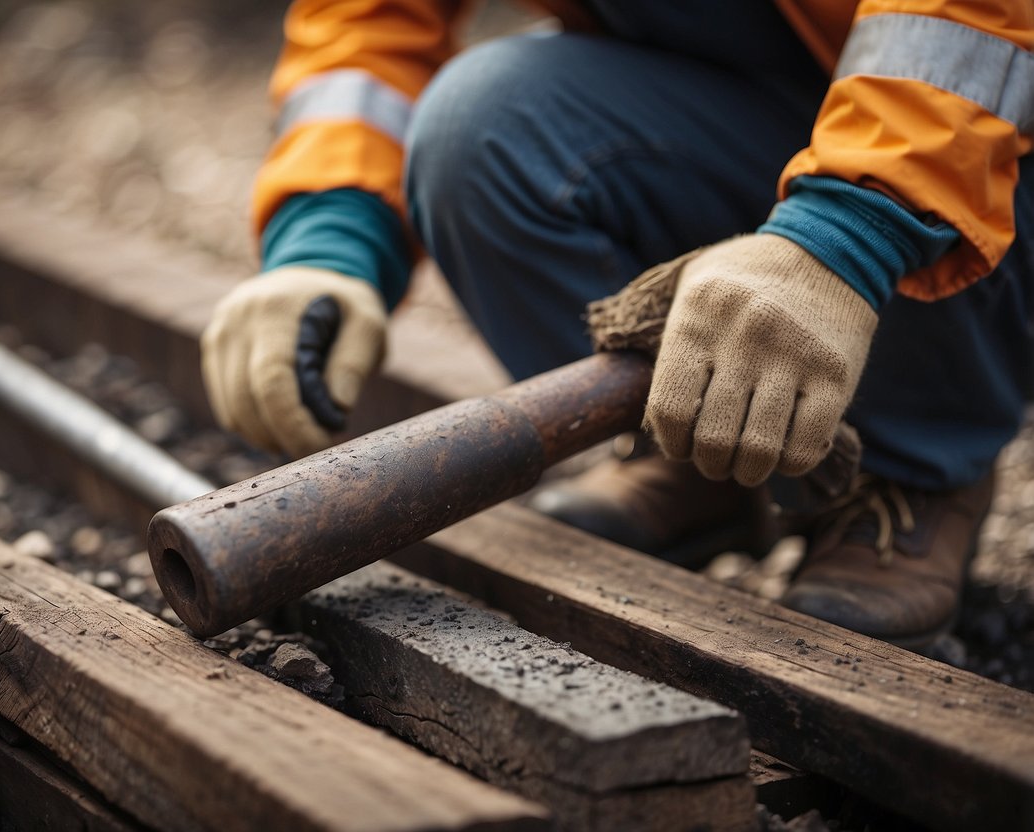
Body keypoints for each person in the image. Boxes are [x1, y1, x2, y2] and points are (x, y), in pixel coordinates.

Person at [199, 0, 1033, 653]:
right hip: (777, 109)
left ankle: (913, 466)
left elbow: (970, 30)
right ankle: (708, 452)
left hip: (983, 139)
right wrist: (326, 238)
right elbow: (368, 23)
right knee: (481, 128)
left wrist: (848, 230)